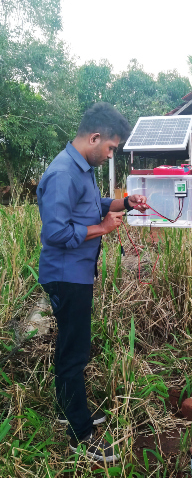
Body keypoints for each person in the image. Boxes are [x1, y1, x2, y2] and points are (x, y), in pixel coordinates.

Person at [37, 102, 147, 462]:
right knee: (73, 354)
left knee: (74, 349)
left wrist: (124, 203)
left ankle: (74, 412)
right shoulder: (63, 172)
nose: (110, 154)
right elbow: (55, 232)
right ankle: (80, 436)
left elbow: (89, 205)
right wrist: (102, 228)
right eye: (111, 148)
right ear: (95, 137)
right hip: (67, 277)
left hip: (77, 274)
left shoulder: (81, 169)